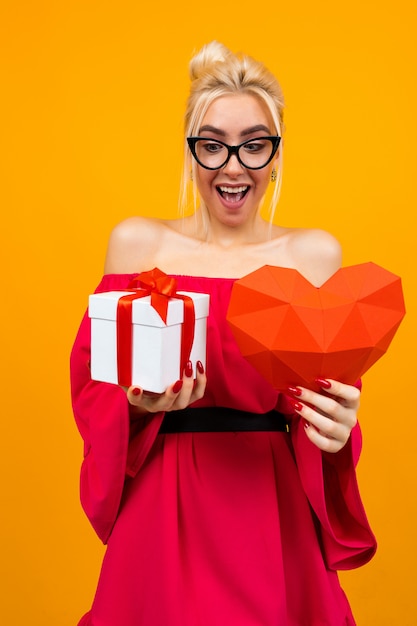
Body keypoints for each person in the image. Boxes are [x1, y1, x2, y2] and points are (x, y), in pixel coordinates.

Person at [70, 41, 376, 626]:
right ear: (191, 155)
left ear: (277, 154)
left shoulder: (314, 256)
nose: (233, 166)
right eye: (212, 146)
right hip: (164, 502)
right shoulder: (138, 244)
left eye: (254, 146)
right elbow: (94, 391)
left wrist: (338, 429)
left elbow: (328, 407)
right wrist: (134, 404)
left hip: (272, 504)